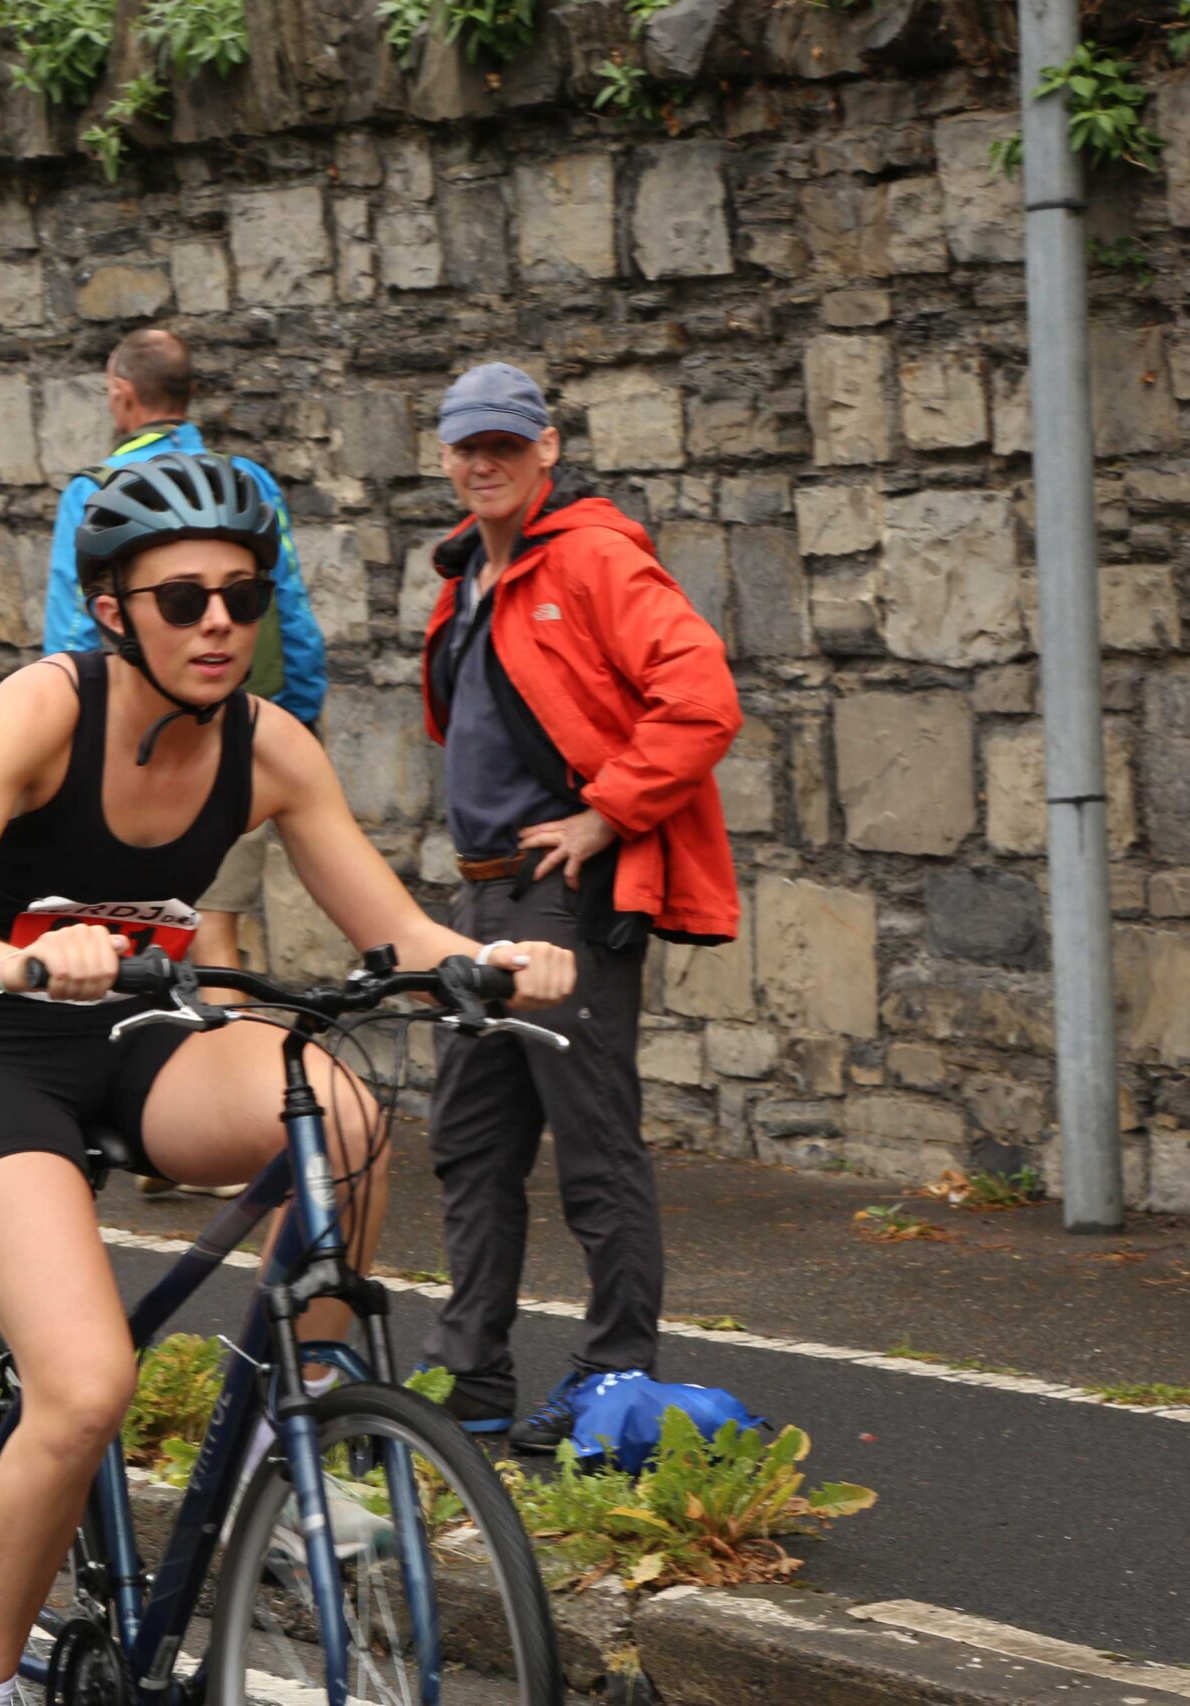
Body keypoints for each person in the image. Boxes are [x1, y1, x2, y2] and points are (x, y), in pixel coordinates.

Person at [0, 450, 574, 1706]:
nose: (217, 624)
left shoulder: (270, 746)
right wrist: (23, 963)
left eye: (242, 598)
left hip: (145, 1037)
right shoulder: (45, 711)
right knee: (84, 1386)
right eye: (183, 598)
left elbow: (394, 934)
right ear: (112, 611)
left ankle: (286, 1442)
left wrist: (487, 962)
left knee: (340, 1113)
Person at [415, 362, 743, 1453]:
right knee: (470, 1140)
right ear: (445, 455)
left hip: (565, 894)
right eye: (469, 446)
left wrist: (605, 815)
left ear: (546, 448)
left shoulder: (594, 556)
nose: (485, 463)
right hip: (481, 894)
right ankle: (473, 1376)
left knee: (594, 1146)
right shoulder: (466, 573)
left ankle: (614, 1380)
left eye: (505, 445)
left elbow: (701, 697)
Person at [41, 328, 328, 982]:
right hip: (236, 729)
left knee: (121, 946)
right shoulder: (247, 481)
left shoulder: (94, 490)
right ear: (190, 393)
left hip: (118, 759)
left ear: (122, 395)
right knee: (214, 933)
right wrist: (290, 721)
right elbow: (290, 608)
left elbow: (72, 636)